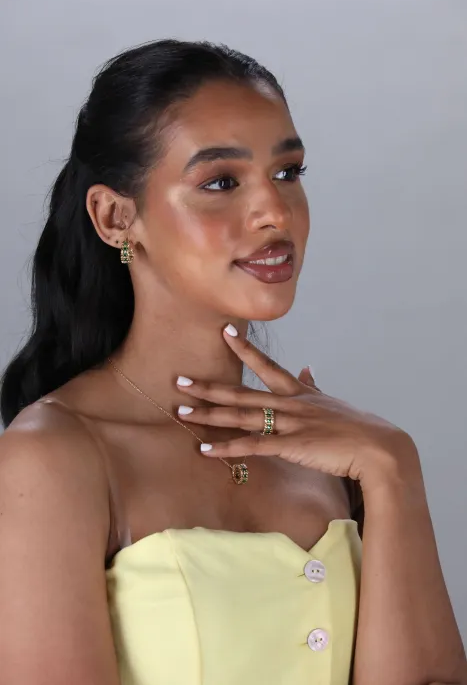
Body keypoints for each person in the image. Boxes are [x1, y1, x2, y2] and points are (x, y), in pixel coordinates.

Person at [0, 39, 464, 685]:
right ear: (115, 218)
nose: (275, 212)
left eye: (289, 172)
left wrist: (392, 469)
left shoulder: (336, 457)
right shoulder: (55, 457)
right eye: (221, 182)